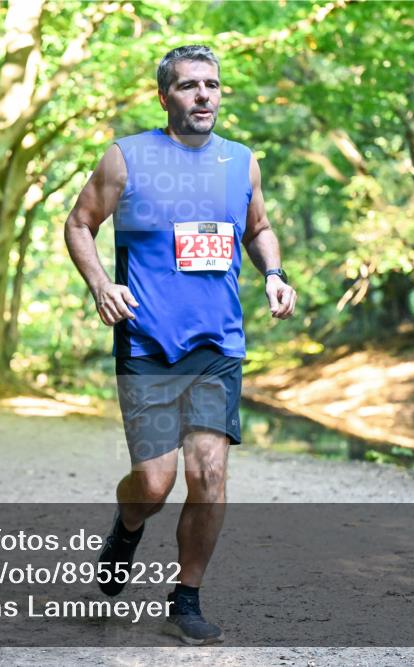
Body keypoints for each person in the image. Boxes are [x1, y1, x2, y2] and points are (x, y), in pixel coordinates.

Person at [64, 45, 296, 645]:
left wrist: (273, 273)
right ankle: (127, 524)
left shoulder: (240, 163)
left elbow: (259, 228)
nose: (204, 95)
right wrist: (99, 283)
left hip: (216, 344)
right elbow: (80, 222)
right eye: (190, 85)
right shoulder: (127, 158)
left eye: (212, 85)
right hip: (146, 341)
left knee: (210, 475)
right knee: (154, 483)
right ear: (164, 94)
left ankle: (185, 597)